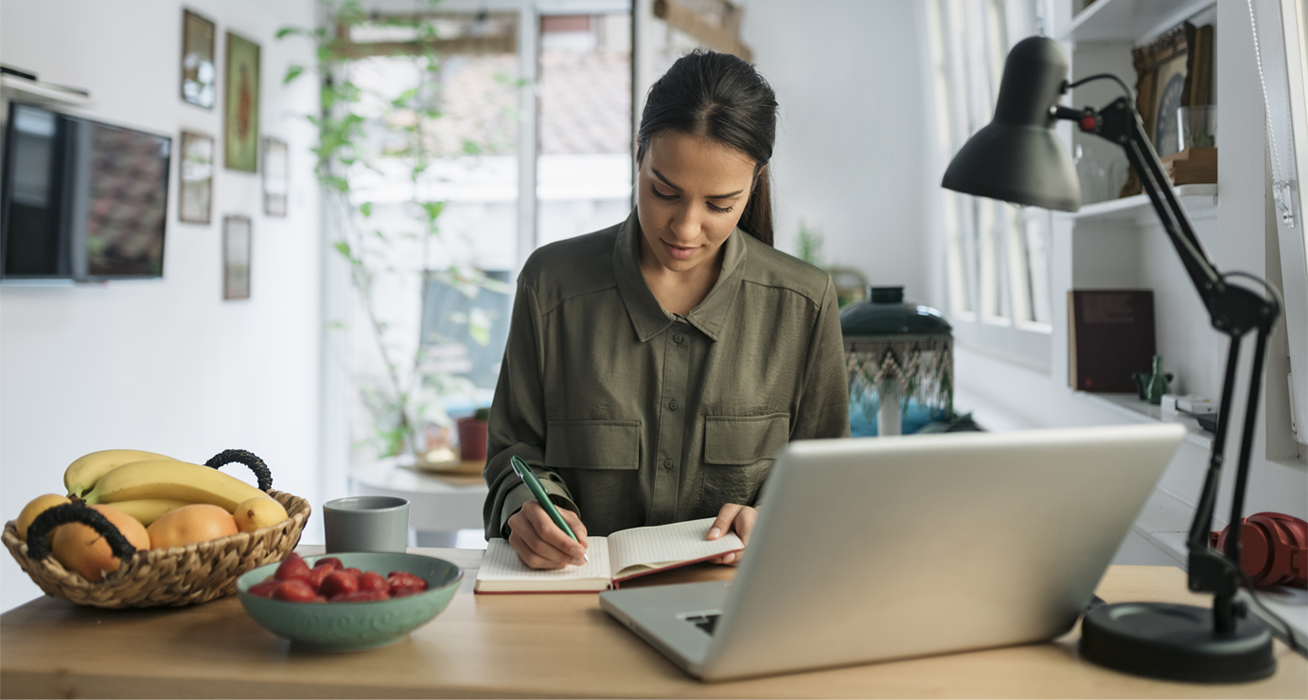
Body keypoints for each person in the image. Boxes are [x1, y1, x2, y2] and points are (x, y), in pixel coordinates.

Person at [482, 49, 850, 569]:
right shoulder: (552, 285)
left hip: (735, 607)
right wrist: (529, 510)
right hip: (574, 601)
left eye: (720, 205)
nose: (685, 228)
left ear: (755, 182)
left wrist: (778, 517)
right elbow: (512, 454)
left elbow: (828, 481)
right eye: (664, 191)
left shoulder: (803, 304)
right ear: (639, 154)